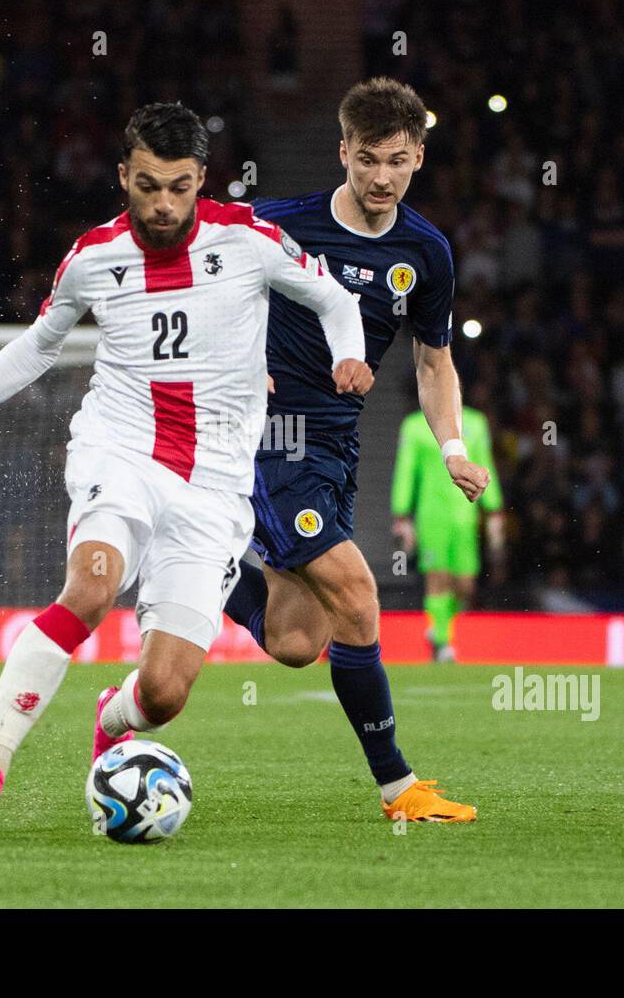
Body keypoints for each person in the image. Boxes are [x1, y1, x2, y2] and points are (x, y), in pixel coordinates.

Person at [0, 102, 370, 824]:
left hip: (215, 484)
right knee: (92, 588)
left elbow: (331, 296)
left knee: (164, 691)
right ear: (123, 176)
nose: (162, 204)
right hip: (123, 447)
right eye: (146, 185)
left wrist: (348, 351)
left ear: (202, 179)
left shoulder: (251, 240)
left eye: (177, 186)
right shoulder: (93, 257)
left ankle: (111, 718)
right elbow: (41, 344)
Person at [223, 77, 489, 822]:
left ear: (418, 159)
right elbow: (199, 277)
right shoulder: (274, 225)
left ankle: (202, 566)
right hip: (273, 438)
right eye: (367, 159)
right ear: (343, 151)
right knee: (360, 596)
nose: (380, 177)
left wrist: (454, 448)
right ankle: (399, 788)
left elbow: (434, 364)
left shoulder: (426, 252)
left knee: (297, 640)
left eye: (396, 161)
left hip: (339, 445)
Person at [392, 398, 504, 662]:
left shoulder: (476, 423)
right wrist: (401, 513)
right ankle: (442, 641)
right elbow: (406, 470)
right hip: (431, 516)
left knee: (465, 584)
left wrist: (494, 509)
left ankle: (439, 627)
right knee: (438, 579)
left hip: (466, 515)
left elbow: (485, 464)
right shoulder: (414, 426)